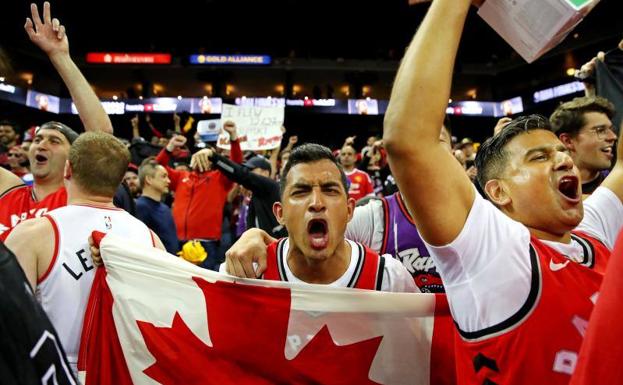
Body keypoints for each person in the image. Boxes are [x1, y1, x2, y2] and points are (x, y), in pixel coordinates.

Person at [382, 1, 623, 385]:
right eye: (539, 157)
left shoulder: (591, 230)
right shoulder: (492, 249)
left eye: (562, 152)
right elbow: (408, 139)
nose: (563, 161)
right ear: (498, 191)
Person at [5, 132, 165, 376]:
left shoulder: (32, 234)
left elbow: (10, 323)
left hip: (54, 371)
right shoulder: (151, 239)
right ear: (122, 178)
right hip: (127, 371)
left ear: (67, 169)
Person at [222, 143, 416, 293]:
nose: (316, 202)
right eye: (301, 191)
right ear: (280, 214)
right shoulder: (248, 270)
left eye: (330, 190)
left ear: (349, 210)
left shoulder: (389, 279)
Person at [0, 2, 113, 240]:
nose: (41, 144)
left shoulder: (78, 194)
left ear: (73, 159)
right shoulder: (9, 190)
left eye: (54, 141)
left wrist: (59, 56)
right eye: (38, 139)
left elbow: (102, 135)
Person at [157, 122, 242, 270]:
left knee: (204, 286)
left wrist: (233, 138)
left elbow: (236, 167)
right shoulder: (181, 177)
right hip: (178, 242)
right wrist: (170, 147)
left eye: (203, 155)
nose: (199, 158)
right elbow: (156, 169)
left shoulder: (219, 178)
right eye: (197, 154)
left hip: (205, 244)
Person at [205, 150, 287, 238]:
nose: (249, 172)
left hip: (277, 245)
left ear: (265, 172)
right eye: (248, 170)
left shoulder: (271, 186)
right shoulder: (255, 193)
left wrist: (214, 157)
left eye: (251, 170)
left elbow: (242, 175)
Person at [550, 96, 617, 195]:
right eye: (600, 130)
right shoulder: (550, 196)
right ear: (568, 141)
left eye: (611, 129)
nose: (613, 137)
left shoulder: (618, 187)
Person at [136, 158, 179, 254]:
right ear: (149, 179)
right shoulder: (140, 207)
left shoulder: (165, 208)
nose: (168, 181)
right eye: (163, 176)